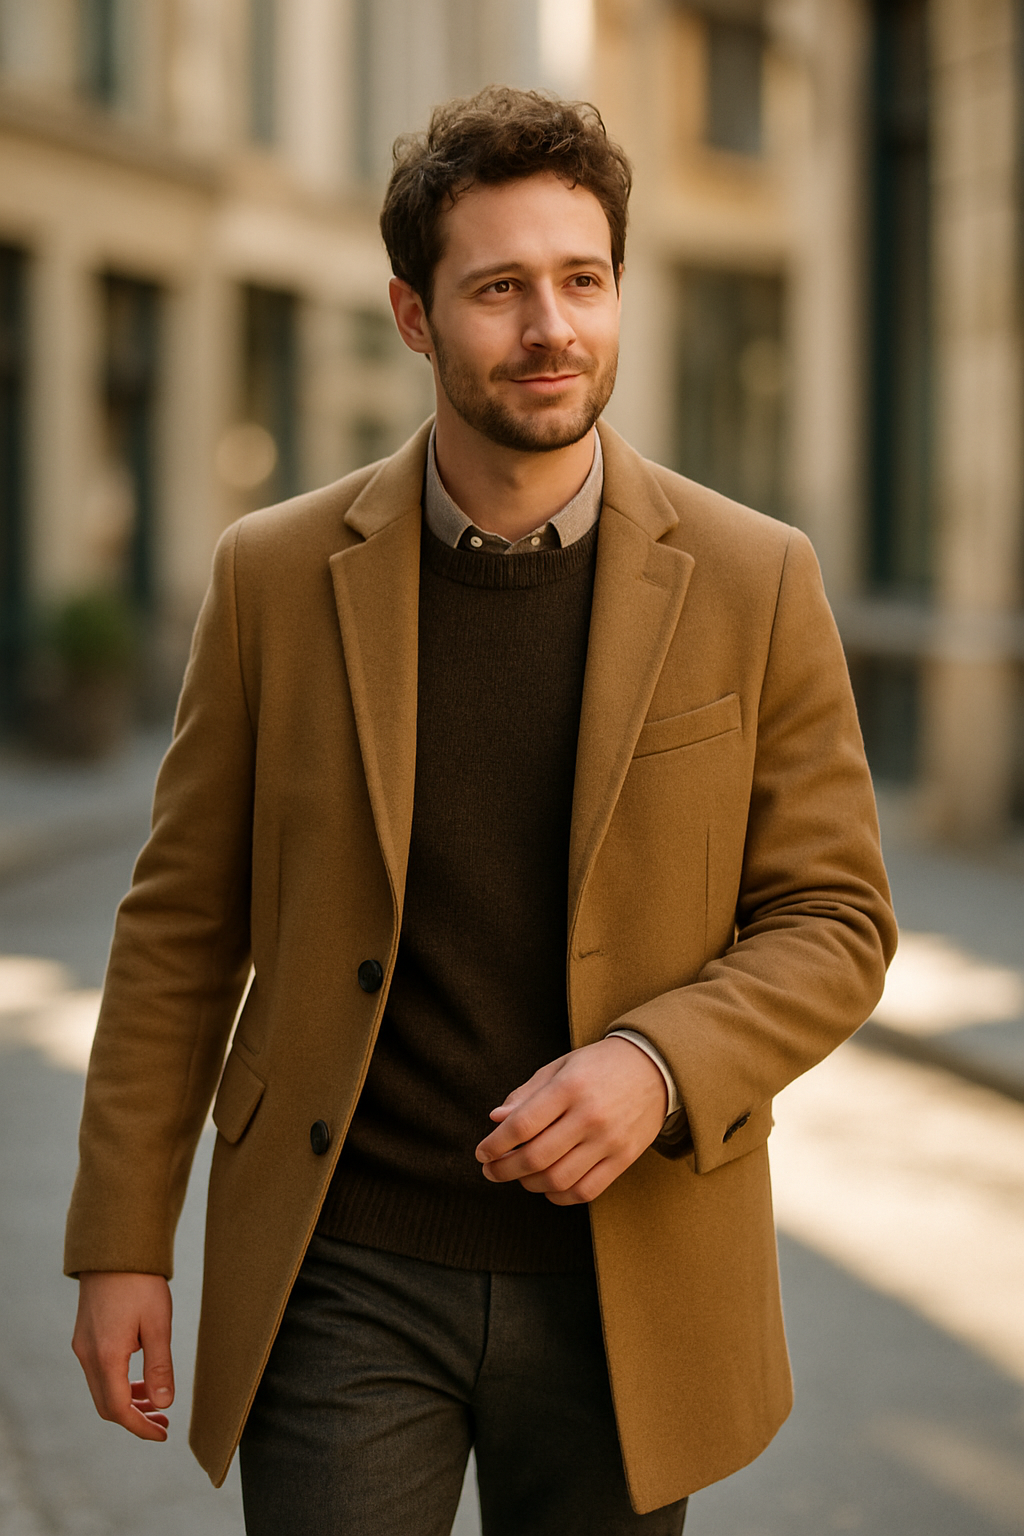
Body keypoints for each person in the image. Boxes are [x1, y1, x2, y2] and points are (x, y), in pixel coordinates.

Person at [66, 87, 896, 1536]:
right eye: (500, 288)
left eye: (582, 280)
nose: (551, 327)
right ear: (413, 314)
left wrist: (658, 1060)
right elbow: (182, 928)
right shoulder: (271, 577)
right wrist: (123, 1242)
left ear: (621, 290)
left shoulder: (758, 580)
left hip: (629, 1274)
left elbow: (837, 917)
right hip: (348, 1269)